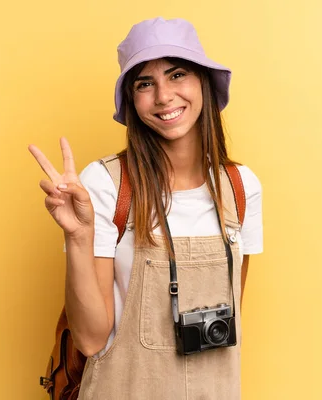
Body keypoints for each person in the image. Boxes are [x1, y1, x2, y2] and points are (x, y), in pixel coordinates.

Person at [29, 17, 263, 399]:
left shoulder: (240, 188)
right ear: (132, 101)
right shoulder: (108, 184)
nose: (163, 96)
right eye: (144, 83)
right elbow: (89, 340)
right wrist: (78, 237)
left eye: (177, 75)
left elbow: (230, 317)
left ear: (202, 81)